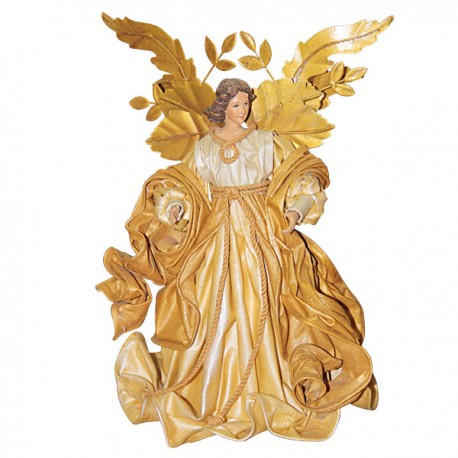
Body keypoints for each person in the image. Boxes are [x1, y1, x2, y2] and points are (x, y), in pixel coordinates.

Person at [97, 78, 377, 447]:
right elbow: (183, 184)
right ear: (222, 107)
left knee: (273, 297)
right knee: (211, 299)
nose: (242, 110)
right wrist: (176, 206)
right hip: (216, 232)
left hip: (263, 230)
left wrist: (296, 209)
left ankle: (271, 378)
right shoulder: (203, 147)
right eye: (235, 105)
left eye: (246, 103)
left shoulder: (265, 142)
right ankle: (208, 387)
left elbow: (304, 174)